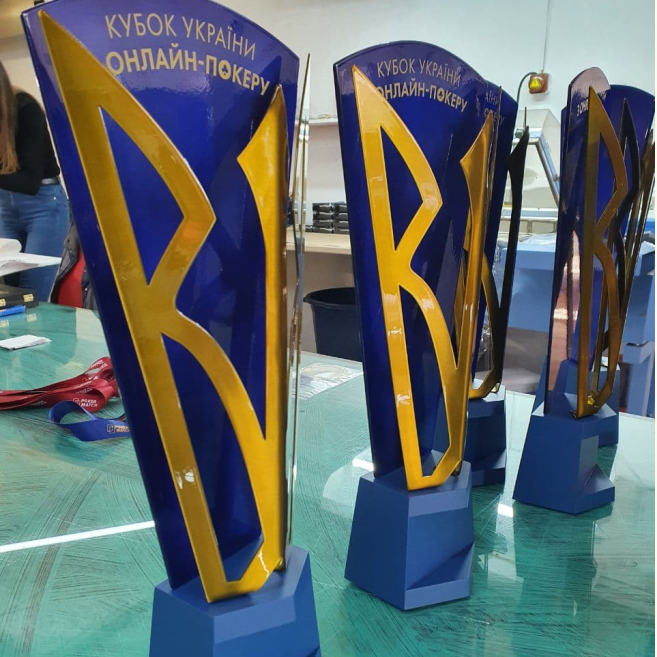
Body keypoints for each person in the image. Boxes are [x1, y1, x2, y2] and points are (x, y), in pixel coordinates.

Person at [0, 61, 68, 301]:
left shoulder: (25, 108)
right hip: (5, 205)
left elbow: (29, 182)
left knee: (32, 295)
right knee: (10, 294)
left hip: (43, 205)